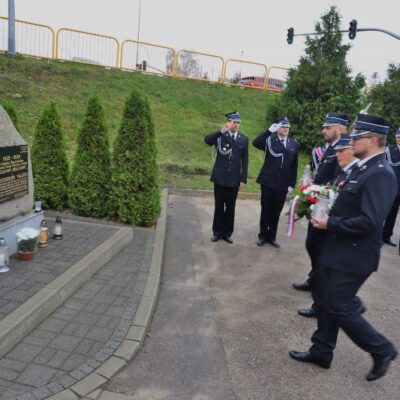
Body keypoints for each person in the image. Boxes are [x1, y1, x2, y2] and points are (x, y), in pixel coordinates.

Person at [289, 113, 398, 381]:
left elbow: (371, 220)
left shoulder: (380, 173)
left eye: (356, 137)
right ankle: (322, 351)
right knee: (325, 302)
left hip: (354, 255)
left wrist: (331, 224)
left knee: (338, 305)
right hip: (336, 249)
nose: (351, 142)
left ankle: (382, 349)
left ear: (372, 140)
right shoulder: (362, 167)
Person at [297, 137, 365, 318]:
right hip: (328, 225)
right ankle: (322, 307)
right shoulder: (346, 172)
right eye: (337, 150)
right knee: (319, 265)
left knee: (328, 276)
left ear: (352, 151)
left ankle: (342, 305)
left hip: (337, 231)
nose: (337, 154)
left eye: (342, 150)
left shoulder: (359, 172)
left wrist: (330, 221)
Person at [293, 112, 349, 293]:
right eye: (324, 127)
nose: (323, 130)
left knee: (317, 245)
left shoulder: (343, 148)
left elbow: (339, 178)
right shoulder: (329, 148)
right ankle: (315, 277)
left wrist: (321, 190)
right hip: (317, 202)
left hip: (327, 206)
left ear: (340, 129)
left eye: (328, 127)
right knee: (312, 244)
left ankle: (320, 283)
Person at [253, 117, 299, 248]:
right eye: (283, 126)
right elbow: (256, 143)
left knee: (276, 211)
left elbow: (294, 166)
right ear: (277, 128)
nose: (285, 129)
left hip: (283, 184)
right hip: (268, 182)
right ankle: (262, 236)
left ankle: (272, 236)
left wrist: (291, 184)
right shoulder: (269, 140)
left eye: (287, 127)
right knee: (266, 209)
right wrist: (268, 131)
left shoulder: (294, 144)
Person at [204, 111, 248, 243]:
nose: (236, 125)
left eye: (238, 122)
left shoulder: (243, 139)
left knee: (230, 207)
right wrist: (220, 131)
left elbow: (245, 160)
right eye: (234, 122)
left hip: (234, 179)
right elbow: (207, 140)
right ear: (229, 122)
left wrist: (243, 179)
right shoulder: (220, 136)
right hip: (220, 178)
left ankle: (227, 233)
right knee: (219, 206)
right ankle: (217, 232)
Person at [382, 128, 400, 247]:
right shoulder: (390, 150)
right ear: (396, 138)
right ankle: (382, 235)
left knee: (393, 213)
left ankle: (387, 236)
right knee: (387, 212)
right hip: (393, 187)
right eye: (398, 137)